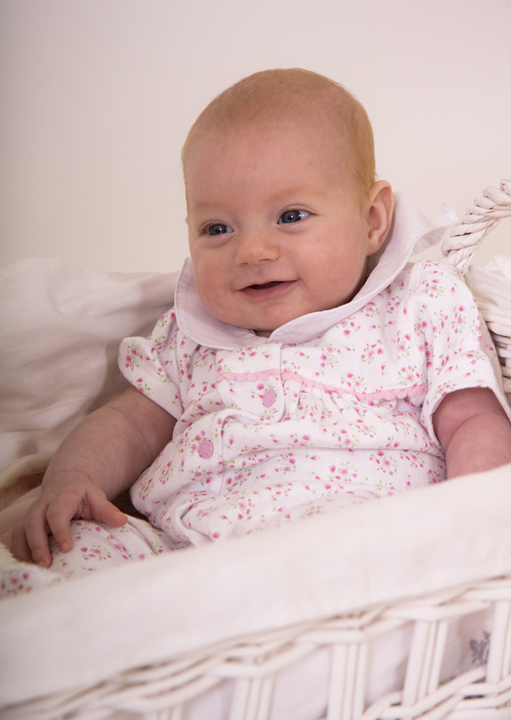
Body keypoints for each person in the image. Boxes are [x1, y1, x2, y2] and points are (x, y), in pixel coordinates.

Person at [4, 68, 511, 583]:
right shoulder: (189, 335)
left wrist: (471, 522)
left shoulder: (417, 302)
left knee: (347, 549)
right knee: (64, 549)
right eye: (217, 228)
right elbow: (131, 423)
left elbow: (472, 420)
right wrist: (71, 478)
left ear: (371, 220)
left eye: (291, 216)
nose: (252, 251)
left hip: (353, 527)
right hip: (183, 550)